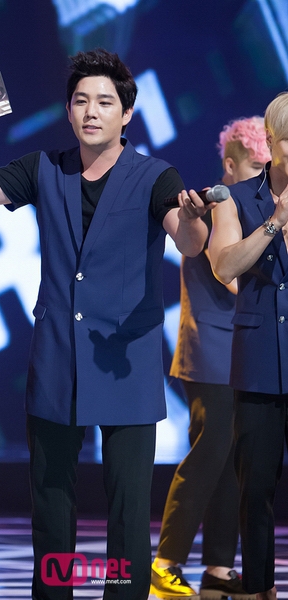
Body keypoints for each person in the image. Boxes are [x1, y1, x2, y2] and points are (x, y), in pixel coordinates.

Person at [0, 48, 214, 600]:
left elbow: (187, 241)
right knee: (51, 504)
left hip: (125, 362)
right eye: (82, 100)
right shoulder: (43, 167)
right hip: (57, 358)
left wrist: (193, 221)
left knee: (128, 510)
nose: (92, 111)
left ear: (126, 114)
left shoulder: (155, 176)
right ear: (68, 110)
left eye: (105, 102)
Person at [151, 117, 270, 600]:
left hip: (244, 351)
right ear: (231, 165)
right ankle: (165, 562)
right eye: (257, 166)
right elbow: (234, 278)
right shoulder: (217, 203)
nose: (265, 174)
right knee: (209, 453)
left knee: (231, 461)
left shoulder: (257, 207)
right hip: (210, 351)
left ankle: (219, 566)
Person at [208, 92, 288, 600]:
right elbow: (225, 266)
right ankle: (259, 588)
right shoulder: (234, 198)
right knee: (256, 485)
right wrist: (276, 220)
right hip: (260, 360)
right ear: (273, 142)